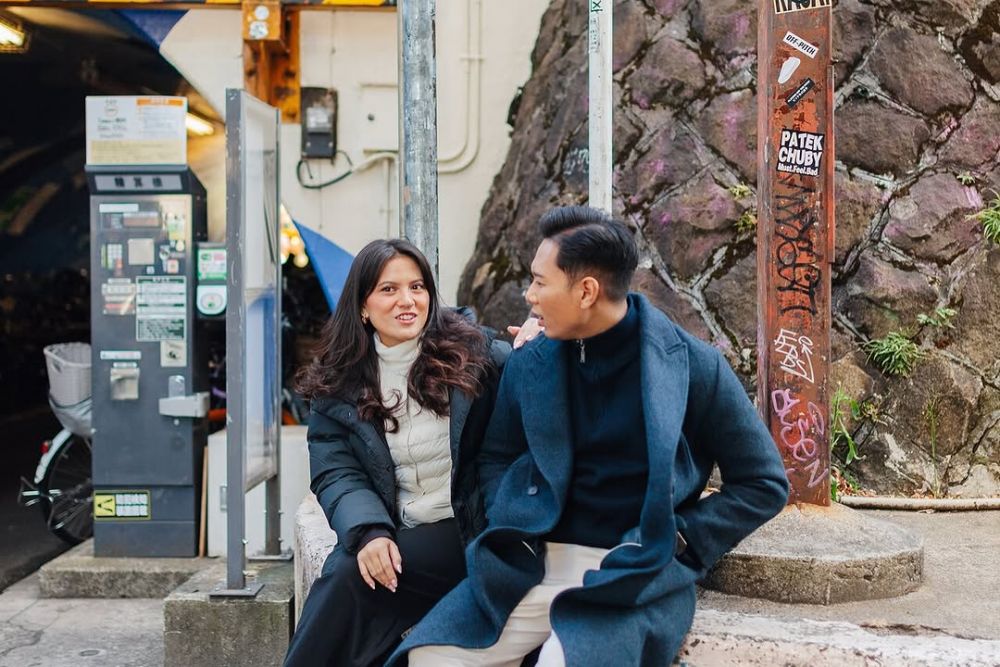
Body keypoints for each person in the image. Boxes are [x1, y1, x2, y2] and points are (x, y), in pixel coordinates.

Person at [390, 206, 790, 666]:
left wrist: (677, 539)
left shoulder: (691, 365)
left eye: (541, 282)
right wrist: (514, 516)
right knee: (427, 659)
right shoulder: (531, 361)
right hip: (527, 565)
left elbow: (764, 483)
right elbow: (496, 456)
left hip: (630, 574)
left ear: (586, 291)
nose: (530, 295)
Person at [283, 238, 512, 667]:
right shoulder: (339, 384)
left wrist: (539, 346)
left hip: (471, 528)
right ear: (363, 307)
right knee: (351, 574)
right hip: (403, 530)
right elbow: (337, 473)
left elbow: (538, 378)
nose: (407, 300)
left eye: (417, 287)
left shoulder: (478, 355)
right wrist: (368, 531)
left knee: (349, 580)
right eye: (389, 290)